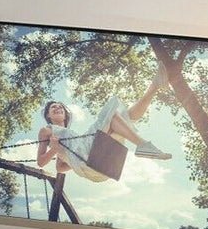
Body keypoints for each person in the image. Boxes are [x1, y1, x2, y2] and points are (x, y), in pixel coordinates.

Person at [36, 65, 172, 176]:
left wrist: (72, 156)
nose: (58, 108)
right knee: (112, 111)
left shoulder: (67, 137)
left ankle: (154, 87)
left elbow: (60, 167)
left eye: (61, 107)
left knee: (122, 118)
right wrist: (54, 149)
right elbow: (41, 162)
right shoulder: (47, 131)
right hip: (89, 159)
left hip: (98, 164)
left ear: (65, 116)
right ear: (48, 116)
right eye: (53, 107)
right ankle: (143, 145)